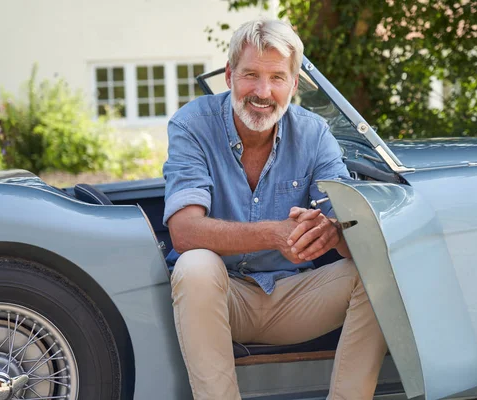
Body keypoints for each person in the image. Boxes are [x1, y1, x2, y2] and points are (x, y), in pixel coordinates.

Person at [163, 19, 387, 400]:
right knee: (195, 265)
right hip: (219, 298)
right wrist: (275, 233)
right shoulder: (192, 125)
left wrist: (332, 231)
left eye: (277, 78)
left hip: (293, 298)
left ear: (293, 84)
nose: (263, 92)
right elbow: (184, 232)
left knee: (381, 273)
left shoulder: (315, 134)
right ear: (230, 75)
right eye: (251, 75)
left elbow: (355, 229)